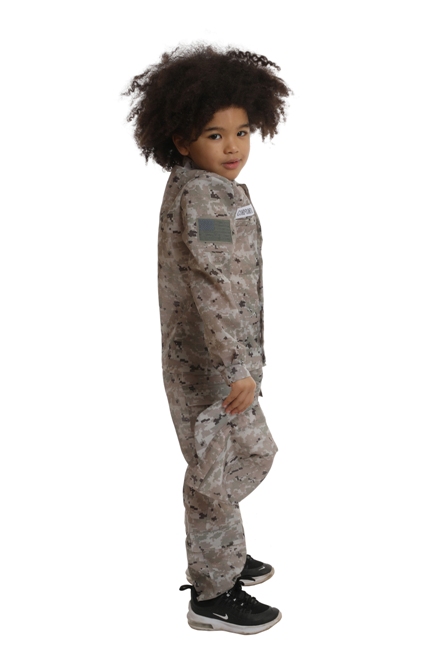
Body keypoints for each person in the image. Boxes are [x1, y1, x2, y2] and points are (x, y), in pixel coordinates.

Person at [121, 43, 292, 635]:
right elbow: (213, 282)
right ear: (180, 139)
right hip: (212, 366)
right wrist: (237, 366)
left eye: (242, 132)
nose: (233, 147)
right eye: (215, 135)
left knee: (234, 458)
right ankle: (212, 592)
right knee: (217, 470)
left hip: (222, 360)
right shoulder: (204, 198)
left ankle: (221, 544)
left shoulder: (203, 186)